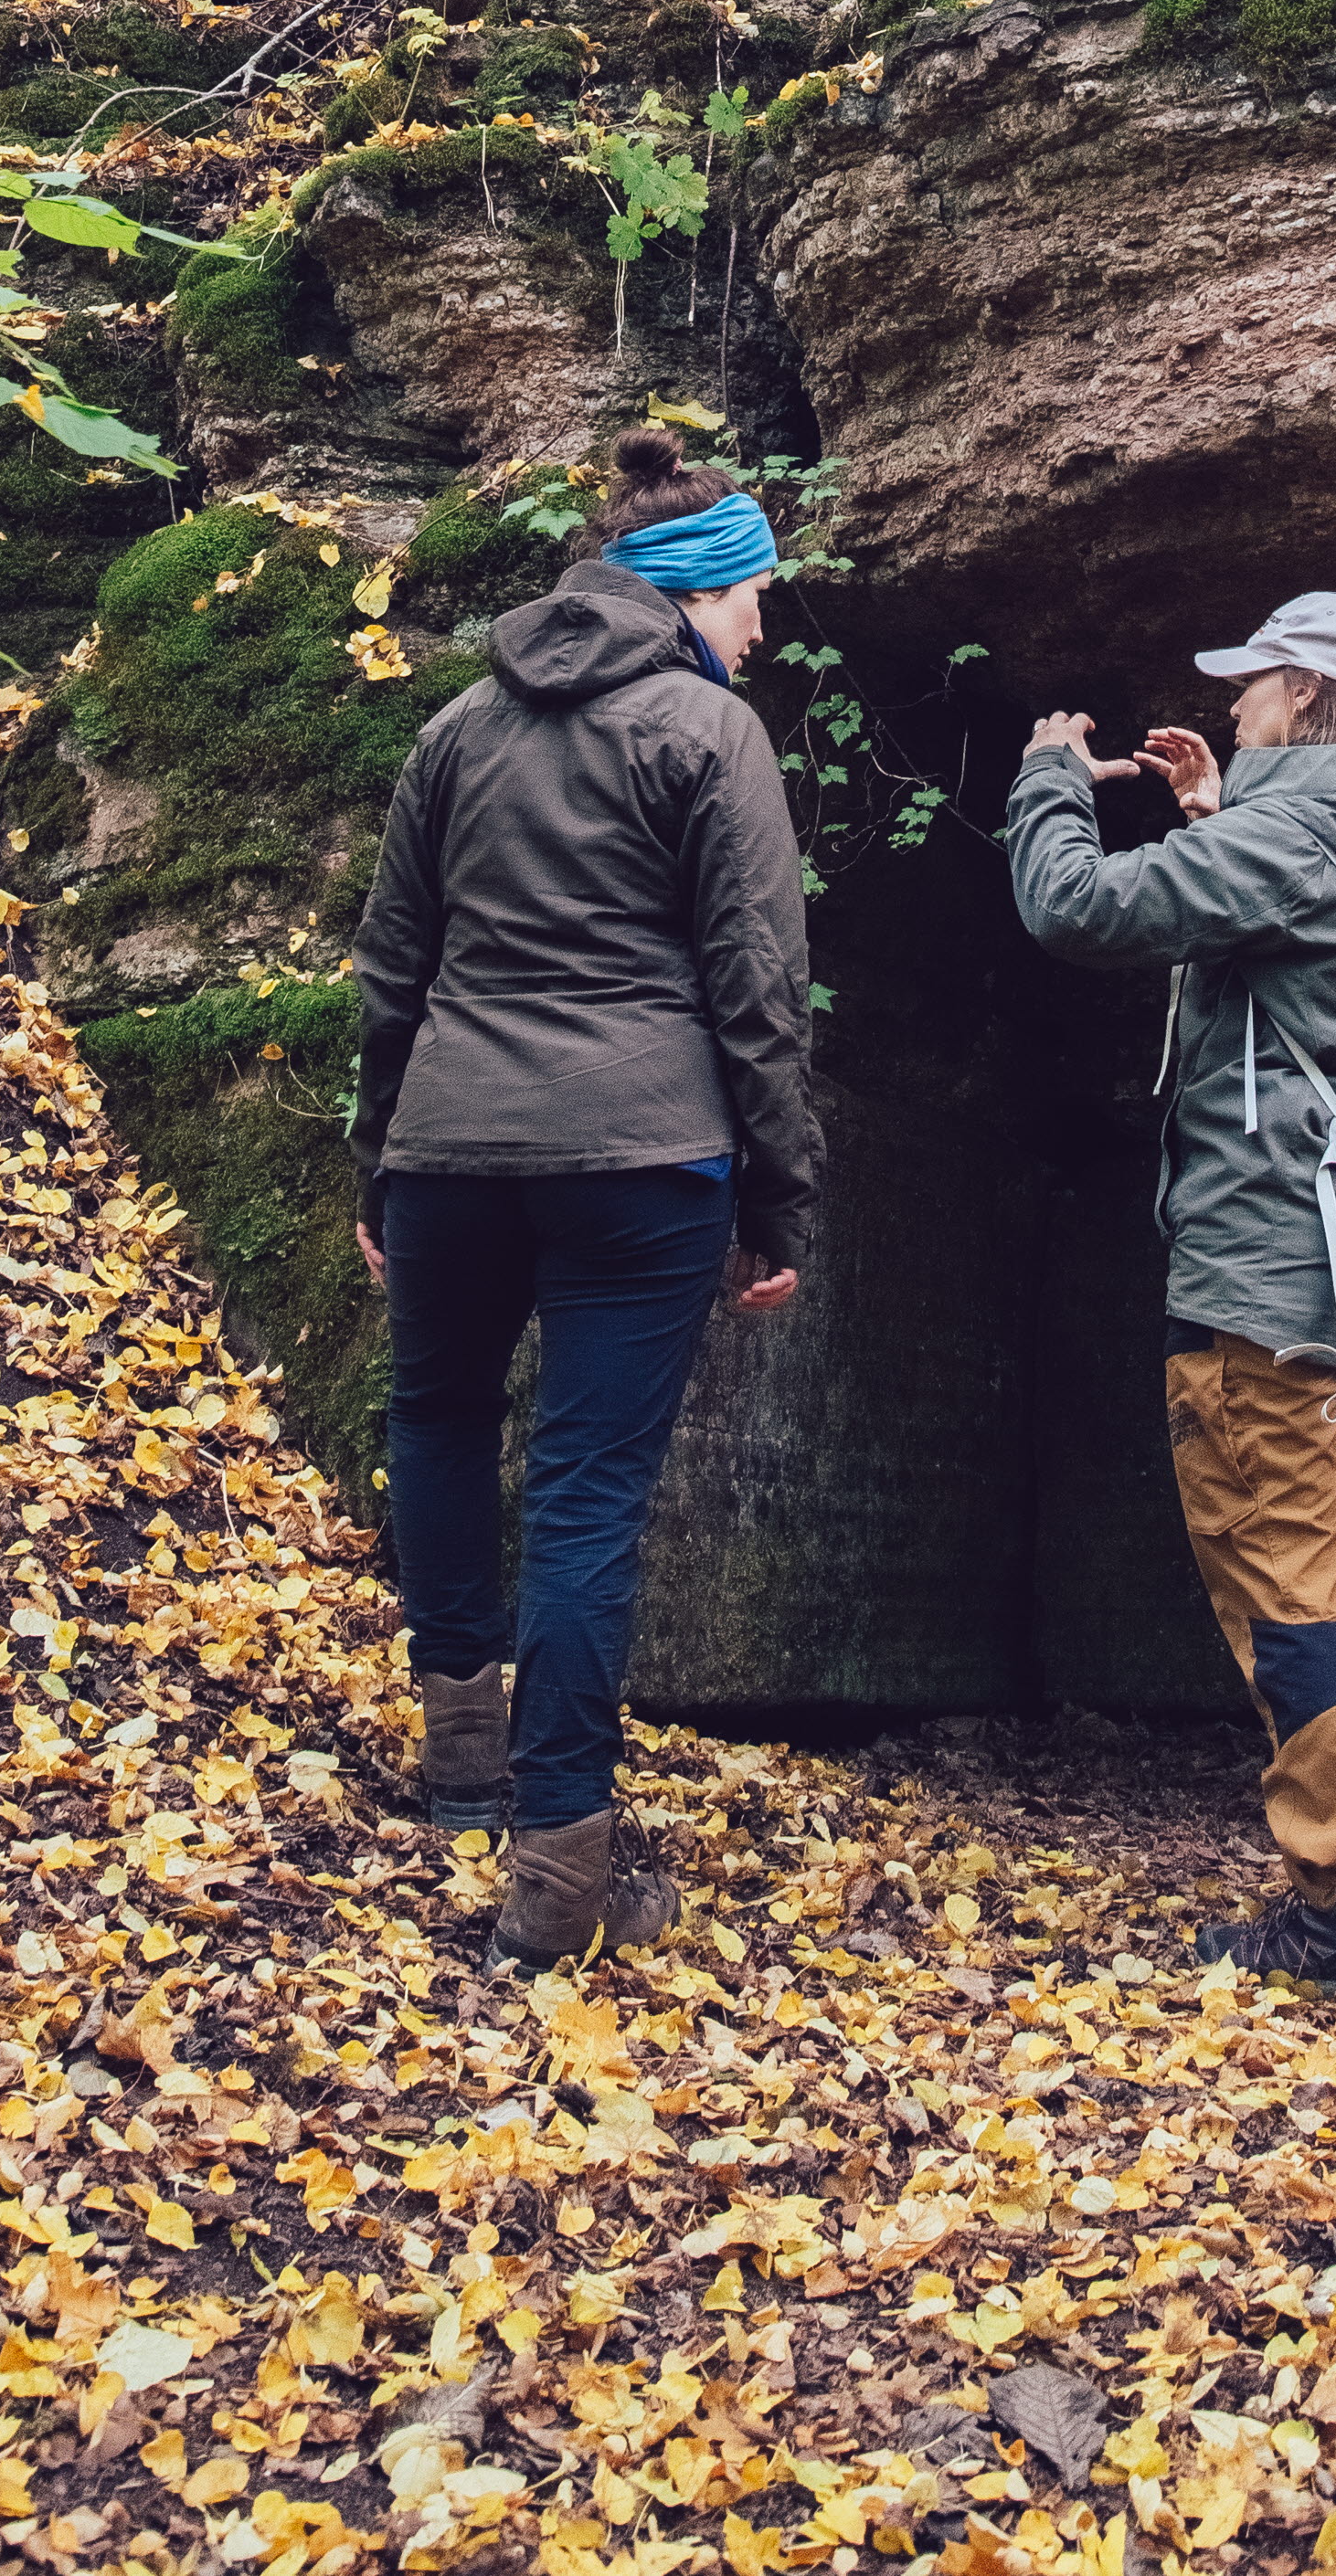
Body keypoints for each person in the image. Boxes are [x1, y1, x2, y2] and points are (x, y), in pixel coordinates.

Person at [348, 425, 818, 1974]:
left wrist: (380, 1158)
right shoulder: (706, 726)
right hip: (641, 1155)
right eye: (756, 592)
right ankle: (556, 1876)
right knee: (585, 1487)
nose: (765, 621)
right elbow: (757, 982)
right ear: (698, 592)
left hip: (450, 1153)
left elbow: (392, 972)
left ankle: (461, 1758)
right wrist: (777, 1200)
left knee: (435, 1419)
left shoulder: (458, 729)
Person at [1007, 592, 1336, 2002]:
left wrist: (1046, 778)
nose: (1227, 710)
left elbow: (1073, 906)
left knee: (1282, 1589)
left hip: (1268, 1273)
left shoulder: (1288, 838)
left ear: (1304, 697)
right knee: (1329, 1569)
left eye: (1249, 690)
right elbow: (1311, 983)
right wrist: (1218, 818)